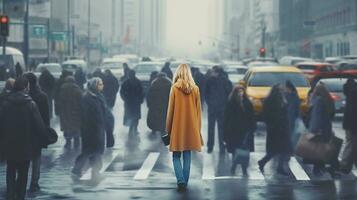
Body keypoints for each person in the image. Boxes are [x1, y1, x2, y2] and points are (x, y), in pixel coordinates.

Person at [0, 76, 47, 200]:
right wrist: (45, 138)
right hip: (25, 146)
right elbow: (39, 126)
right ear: (26, 87)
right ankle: (20, 196)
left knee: (10, 171)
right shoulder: (31, 104)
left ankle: (10, 195)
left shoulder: (5, 104)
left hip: (9, 145)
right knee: (23, 173)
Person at [166, 63, 203, 192]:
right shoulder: (196, 89)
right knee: (187, 154)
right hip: (191, 127)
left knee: (176, 155)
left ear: (178, 73)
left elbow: (170, 111)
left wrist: (168, 128)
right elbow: (199, 112)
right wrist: (197, 129)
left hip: (177, 126)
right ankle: (185, 181)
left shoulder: (174, 88)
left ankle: (180, 180)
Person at [72, 78, 107, 180]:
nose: (102, 86)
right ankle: (79, 169)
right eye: (100, 84)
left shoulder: (99, 96)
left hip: (99, 128)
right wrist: (91, 129)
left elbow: (103, 111)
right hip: (90, 130)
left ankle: (94, 170)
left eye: (102, 84)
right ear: (94, 86)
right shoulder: (87, 98)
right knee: (90, 151)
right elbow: (86, 116)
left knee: (95, 151)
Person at [24, 73, 50, 192]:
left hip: (24, 131)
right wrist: (46, 131)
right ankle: (34, 183)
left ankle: (22, 181)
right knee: (36, 158)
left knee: (24, 158)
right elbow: (46, 116)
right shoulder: (42, 96)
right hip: (38, 131)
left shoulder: (23, 95)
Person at [223, 85, 256, 176]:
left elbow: (252, 116)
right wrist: (225, 132)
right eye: (239, 92)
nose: (241, 93)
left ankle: (243, 169)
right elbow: (226, 118)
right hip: (234, 131)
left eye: (242, 91)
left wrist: (252, 128)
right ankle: (234, 166)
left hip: (245, 131)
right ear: (235, 93)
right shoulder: (231, 103)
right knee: (235, 150)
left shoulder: (247, 103)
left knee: (244, 150)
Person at [258, 84, 290, 176]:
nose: (283, 91)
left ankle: (277, 167)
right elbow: (268, 114)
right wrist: (274, 123)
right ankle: (263, 162)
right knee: (276, 149)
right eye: (281, 90)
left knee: (281, 149)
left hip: (280, 128)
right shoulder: (273, 100)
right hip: (276, 128)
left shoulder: (280, 99)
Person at [308, 83, 338, 176]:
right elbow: (332, 114)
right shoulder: (329, 100)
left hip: (319, 129)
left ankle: (318, 169)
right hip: (327, 127)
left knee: (318, 149)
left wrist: (313, 130)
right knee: (325, 148)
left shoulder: (318, 101)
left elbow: (316, 117)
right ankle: (330, 167)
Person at [205, 66, 232, 153]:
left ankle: (211, 146)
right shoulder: (225, 81)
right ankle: (221, 145)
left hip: (216, 108)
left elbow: (205, 93)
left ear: (217, 72)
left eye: (213, 71)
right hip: (220, 108)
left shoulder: (211, 81)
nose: (212, 73)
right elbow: (229, 93)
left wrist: (209, 102)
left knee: (212, 128)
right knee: (221, 128)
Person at [58, 76, 83, 149]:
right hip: (75, 112)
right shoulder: (77, 89)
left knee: (66, 127)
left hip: (65, 112)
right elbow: (81, 101)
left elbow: (60, 100)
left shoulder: (62, 89)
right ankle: (76, 142)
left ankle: (68, 142)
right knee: (76, 127)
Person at [340, 78, 357, 174]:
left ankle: (346, 164)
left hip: (348, 124)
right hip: (353, 125)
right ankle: (345, 165)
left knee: (351, 143)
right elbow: (353, 112)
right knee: (351, 144)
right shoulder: (354, 95)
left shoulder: (350, 94)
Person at [120, 70, 144, 135]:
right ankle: (133, 129)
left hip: (130, 102)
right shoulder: (137, 82)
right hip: (134, 102)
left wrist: (125, 99)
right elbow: (142, 92)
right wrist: (141, 100)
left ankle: (132, 129)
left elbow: (122, 92)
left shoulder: (126, 82)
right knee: (134, 116)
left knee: (132, 116)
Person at [284, 80, 301, 157]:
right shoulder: (294, 96)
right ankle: (290, 149)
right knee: (291, 134)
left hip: (289, 118)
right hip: (292, 118)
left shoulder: (288, 96)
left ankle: (289, 149)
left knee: (289, 134)